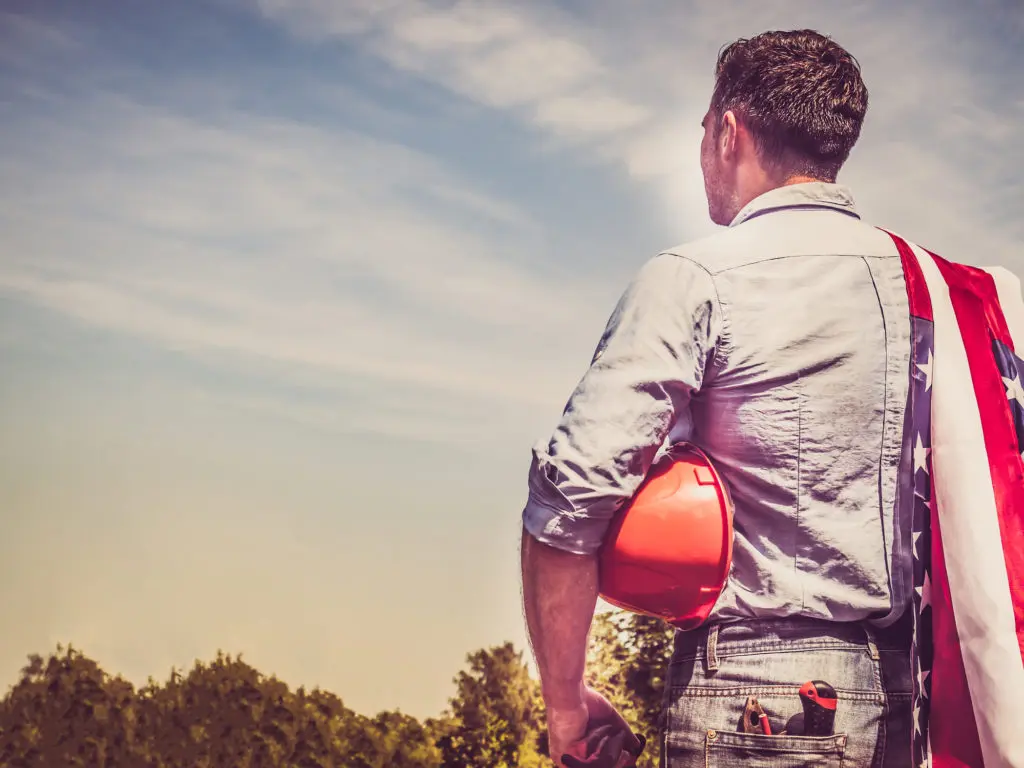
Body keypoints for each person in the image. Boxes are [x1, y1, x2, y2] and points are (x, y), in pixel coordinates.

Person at [520, 29, 917, 768]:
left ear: (727, 132)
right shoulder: (934, 293)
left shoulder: (697, 278)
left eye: (704, 129)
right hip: (910, 703)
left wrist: (566, 707)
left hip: (753, 706)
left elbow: (570, 500)